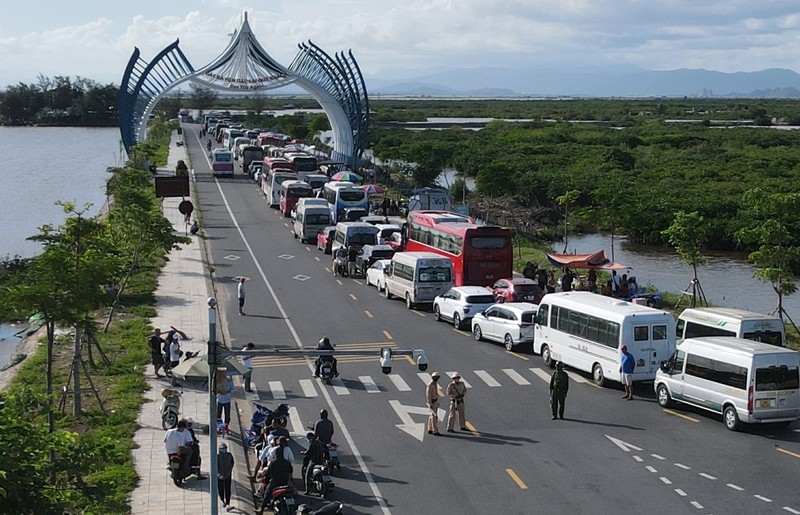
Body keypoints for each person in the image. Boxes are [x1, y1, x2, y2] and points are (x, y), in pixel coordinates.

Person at [258, 437, 293, 515]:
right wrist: (289, 481)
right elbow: (290, 472)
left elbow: (269, 473)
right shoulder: (286, 462)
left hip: (275, 482)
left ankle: (261, 510)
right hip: (285, 482)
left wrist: (263, 475)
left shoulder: (273, 463)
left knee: (267, 494)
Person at [217, 442, 235, 511]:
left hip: (227, 475)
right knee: (221, 488)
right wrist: (219, 474)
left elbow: (232, 463)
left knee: (227, 489)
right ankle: (222, 500)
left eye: (225, 448)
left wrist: (229, 471)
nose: (224, 450)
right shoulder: (217, 457)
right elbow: (216, 466)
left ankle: (228, 502)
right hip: (219, 476)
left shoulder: (229, 455)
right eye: (222, 449)